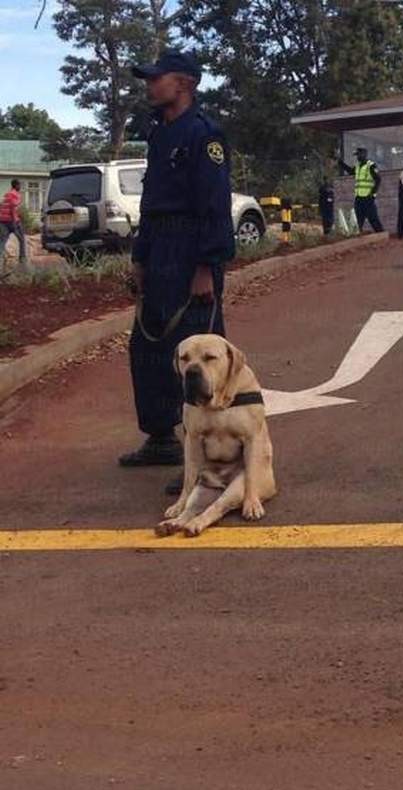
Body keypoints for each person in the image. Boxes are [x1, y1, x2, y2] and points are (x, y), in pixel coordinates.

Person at [118, 49, 235, 492]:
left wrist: (207, 265)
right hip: (159, 245)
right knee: (148, 348)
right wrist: (141, 257)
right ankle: (161, 437)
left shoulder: (204, 135)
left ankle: (211, 456)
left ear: (183, 83)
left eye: (157, 78)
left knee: (199, 355)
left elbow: (215, 204)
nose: (150, 85)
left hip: (192, 251)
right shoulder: (158, 133)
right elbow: (151, 204)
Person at [337, 147, 384, 233]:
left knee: (373, 219)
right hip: (358, 198)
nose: (357, 157)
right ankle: (356, 237)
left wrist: (372, 193)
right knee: (357, 220)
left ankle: (381, 235)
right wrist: (341, 163)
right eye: (356, 155)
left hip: (368, 198)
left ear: (364, 154)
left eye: (358, 154)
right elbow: (351, 171)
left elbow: (378, 179)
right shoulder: (358, 166)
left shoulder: (371, 165)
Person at [0, 179, 26, 263]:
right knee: (22, 239)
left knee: (3, 240)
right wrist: (15, 221)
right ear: (16, 185)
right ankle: (22, 260)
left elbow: (2, 206)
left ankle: (0, 258)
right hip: (12, 221)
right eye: (19, 185)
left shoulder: (7, 194)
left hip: (2, 221)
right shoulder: (15, 194)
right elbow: (13, 208)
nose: (20, 187)